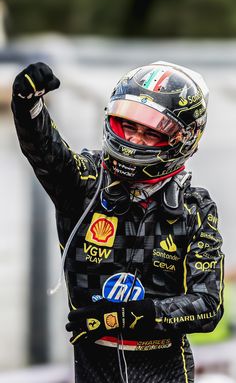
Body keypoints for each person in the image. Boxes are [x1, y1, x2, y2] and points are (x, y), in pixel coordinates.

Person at [11, 60, 224, 383]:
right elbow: (44, 151)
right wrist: (28, 103)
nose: (135, 140)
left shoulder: (194, 207)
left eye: (150, 133)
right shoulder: (85, 182)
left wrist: (127, 316)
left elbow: (208, 305)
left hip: (164, 370)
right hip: (94, 368)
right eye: (129, 126)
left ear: (183, 138)